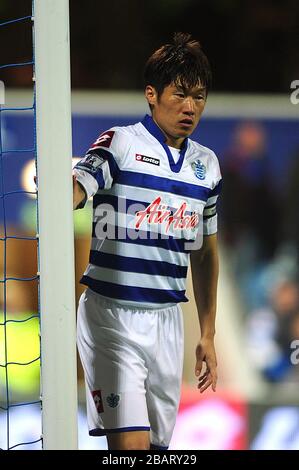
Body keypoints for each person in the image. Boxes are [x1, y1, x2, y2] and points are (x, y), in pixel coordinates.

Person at [73, 32, 222, 451]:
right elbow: (77, 188)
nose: (190, 107)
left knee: (157, 451)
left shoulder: (206, 166)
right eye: (180, 94)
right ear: (151, 94)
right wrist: (61, 193)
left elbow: (206, 252)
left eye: (199, 96)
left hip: (167, 321)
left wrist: (207, 333)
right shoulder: (120, 143)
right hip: (111, 317)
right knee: (132, 448)